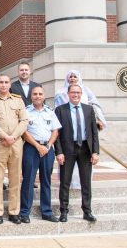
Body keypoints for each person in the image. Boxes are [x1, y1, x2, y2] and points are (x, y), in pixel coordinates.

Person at [0, 74, 28, 225]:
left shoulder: (18, 99)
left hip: (16, 143)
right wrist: (5, 136)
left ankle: (14, 212)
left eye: (6, 82)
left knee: (15, 178)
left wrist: (13, 136)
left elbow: (24, 120)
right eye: (1, 82)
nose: (3, 85)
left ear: (10, 84)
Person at [54, 84, 100, 223]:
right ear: (68, 94)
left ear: (81, 94)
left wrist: (95, 152)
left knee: (86, 182)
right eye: (73, 92)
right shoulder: (60, 110)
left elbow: (94, 132)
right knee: (65, 182)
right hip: (68, 149)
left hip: (85, 149)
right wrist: (59, 152)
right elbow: (56, 133)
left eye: (78, 92)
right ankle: (64, 211)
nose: (75, 94)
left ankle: (87, 211)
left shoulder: (88, 109)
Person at [54, 69, 107, 189]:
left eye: (75, 76)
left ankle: (81, 185)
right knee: (67, 168)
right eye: (70, 76)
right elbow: (57, 111)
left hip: (83, 136)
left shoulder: (86, 90)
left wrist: (99, 120)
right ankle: (70, 185)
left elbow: (94, 105)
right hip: (67, 135)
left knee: (84, 168)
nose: (72, 78)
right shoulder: (60, 93)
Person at [20, 86, 61, 224]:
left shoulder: (50, 112)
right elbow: (24, 132)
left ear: (44, 96)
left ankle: (47, 212)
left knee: (46, 181)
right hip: (31, 148)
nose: (37, 96)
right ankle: (25, 212)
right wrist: (38, 146)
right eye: (35, 94)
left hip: (47, 149)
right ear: (31, 96)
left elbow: (55, 131)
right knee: (28, 181)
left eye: (40, 94)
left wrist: (48, 146)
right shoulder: (25, 111)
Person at [10, 62, 42, 189]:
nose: (24, 72)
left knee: (32, 152)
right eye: (21, 70)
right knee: (18, 153)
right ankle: (17, 177)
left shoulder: (37, 86)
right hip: (17, 123)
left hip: (33, 124)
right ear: (18, 72)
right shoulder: (12, 86)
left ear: (30, 71)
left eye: (26, 70)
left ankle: (31, 178)